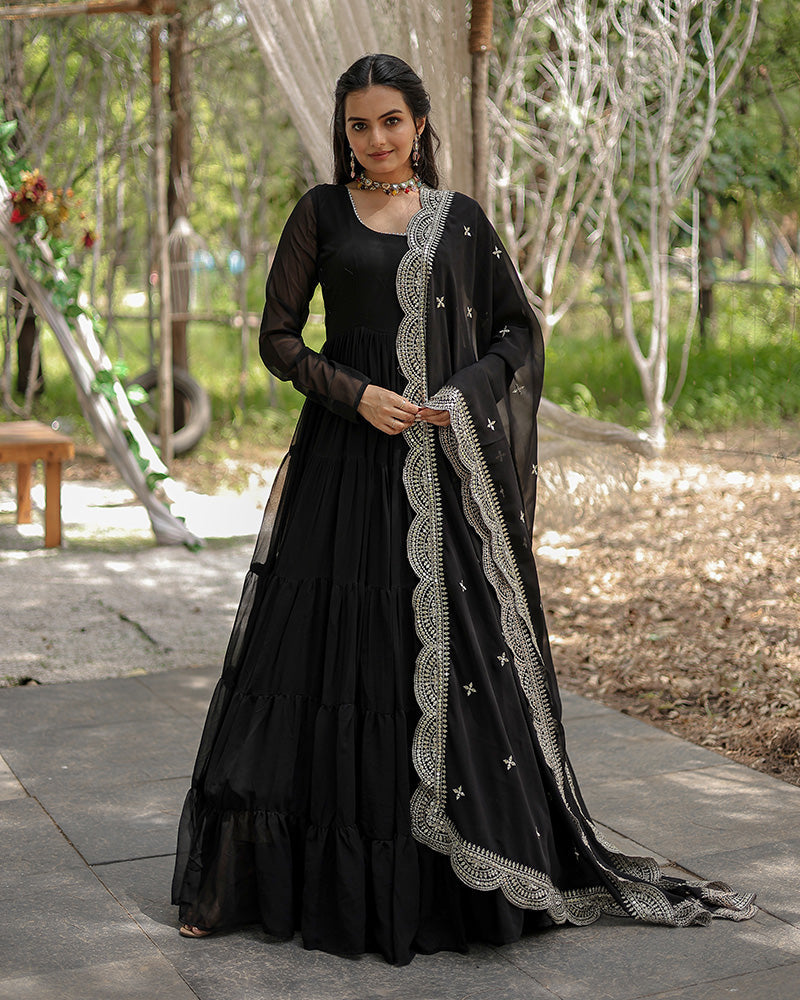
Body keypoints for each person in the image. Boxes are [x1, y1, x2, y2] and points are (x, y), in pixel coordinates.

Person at [172, 53, 756, 966]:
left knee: (446, 660)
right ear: (344, 132)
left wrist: (464, 390)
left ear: (418, 123)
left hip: (440, 475)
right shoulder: (320, 212)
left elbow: (517, 330)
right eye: (359, 124)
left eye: (390, 121)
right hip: (342, 469)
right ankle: (259, 880)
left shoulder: (461, 222)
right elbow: (277, 338)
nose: (376, 138)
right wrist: (354, 393)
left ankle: (454, 886)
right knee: (317, 656)